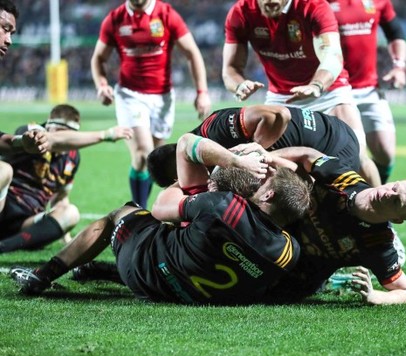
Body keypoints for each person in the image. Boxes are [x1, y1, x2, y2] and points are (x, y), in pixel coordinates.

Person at [10, 133, 312, 306]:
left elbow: (161, 206)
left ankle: (43, 275)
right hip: (189, 295)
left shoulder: (222, 205)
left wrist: (232, 163)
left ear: (269, 197)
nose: (263, 176)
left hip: (147, 270)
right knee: (194, 237)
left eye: (266, 180)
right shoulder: (290, 252)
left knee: (124, 212)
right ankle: (99, 271)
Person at [222, 0, 380, 187]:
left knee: (356, 158)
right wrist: (239, 85)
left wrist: (316, 85)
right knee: (268, 165)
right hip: (281, 98)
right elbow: (230, 68)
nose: (270, 2)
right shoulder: (241, 12)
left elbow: (332, 56)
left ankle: (379, 213)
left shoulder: (313, 6)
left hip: (329, 93)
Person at [261, 146, 406, 305]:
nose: (387, 193)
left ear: (396, 219)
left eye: (396, 201)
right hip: (272, 227)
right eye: (395, 187)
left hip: (293, 276)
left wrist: (375, 296)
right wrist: (267, 156)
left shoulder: (378, 243)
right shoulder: (344, 180)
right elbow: (309, 154)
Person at [91, 0, 212, 209]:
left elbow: (192, 53)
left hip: (163, 98)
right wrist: (102, 85)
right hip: (130, 95)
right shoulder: (115, 19)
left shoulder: (166, 15)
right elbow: (98, 58)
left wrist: (202, 92)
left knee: (153, 162)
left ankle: (140, 211)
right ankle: (139, 212)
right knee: (142, 153)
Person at [0, 104, 133, 254]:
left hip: (27, 222)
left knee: (71, 213)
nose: (67, 140)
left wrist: (64, 233)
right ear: (48, 126)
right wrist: (106, 134)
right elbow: (55, 140)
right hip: (4, 205)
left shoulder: (73, 157)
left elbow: (60, 198)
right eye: (61, 132)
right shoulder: (31, 132)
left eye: (71, 134)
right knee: (4, 170)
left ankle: (5, 246)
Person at [147, 104, 363, 188]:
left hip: (332, 146)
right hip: (332, 136)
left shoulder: (214, 130)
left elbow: (278, 115)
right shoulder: (211, 152)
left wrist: (256, 151)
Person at [328, 0, 406, 184]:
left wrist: (399, 66)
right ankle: (361, 204)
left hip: (370, 89)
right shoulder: (321, 3)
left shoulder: (379, 2)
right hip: (336, 91)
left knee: (386, 153)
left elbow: (395, 33)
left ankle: (374, 195)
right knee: (354, 155)